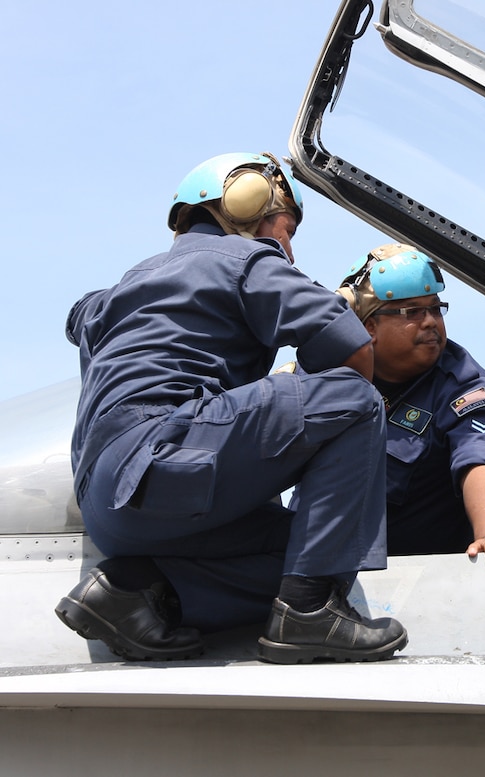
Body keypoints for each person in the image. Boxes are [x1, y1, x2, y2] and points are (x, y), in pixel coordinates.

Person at [56, 152, 407, 664]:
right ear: (250, 207)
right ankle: (309, 612)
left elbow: (78, 317)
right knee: (354, 400)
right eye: (287, 230)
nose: (287, 247)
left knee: (304, 547)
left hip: (109, 508)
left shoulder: (121, 289)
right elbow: (352, 350)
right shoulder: (247, 260)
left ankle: (136, 589)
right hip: (165, 462)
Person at [333, 243, 485, 567]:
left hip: (404, 578)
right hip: (317, 560)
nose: (431, 322)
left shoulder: (463, 386)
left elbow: (480, 456)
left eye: (435, 309)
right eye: (412, 312)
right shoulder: (330, 371)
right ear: (369, 327)